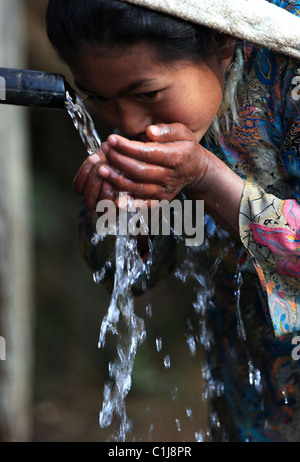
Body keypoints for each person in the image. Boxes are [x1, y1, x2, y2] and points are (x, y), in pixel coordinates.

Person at [45, 0, 300, 441]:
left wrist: (209, 179)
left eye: (147, 94)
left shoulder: (288, 64)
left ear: (222, 41)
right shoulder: (154, 140)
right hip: (249, 368)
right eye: (99, 98)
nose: (130, 123)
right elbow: (137, 275)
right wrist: (132, 218)